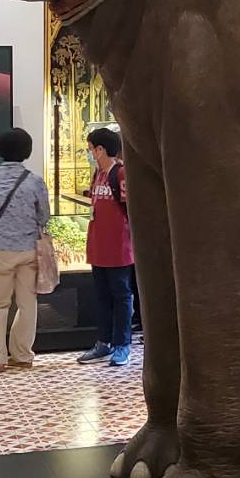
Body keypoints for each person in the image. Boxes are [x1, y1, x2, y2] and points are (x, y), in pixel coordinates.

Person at [0, 128, 48, 372]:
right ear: (27, 151)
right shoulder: (35, 180)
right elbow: (44, 215)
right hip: (28, 249)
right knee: (28, 304)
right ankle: (23, 355)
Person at [78, 127, 134, 367]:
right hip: (98, 249)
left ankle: (122, 344)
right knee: (101, 297)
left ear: (100, 149)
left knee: (121, 297)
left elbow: (129, 210)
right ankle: (103, 341)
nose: (89, 153)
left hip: (119, 249)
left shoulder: (119, 174)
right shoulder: (97, 174)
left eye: (90, 149)